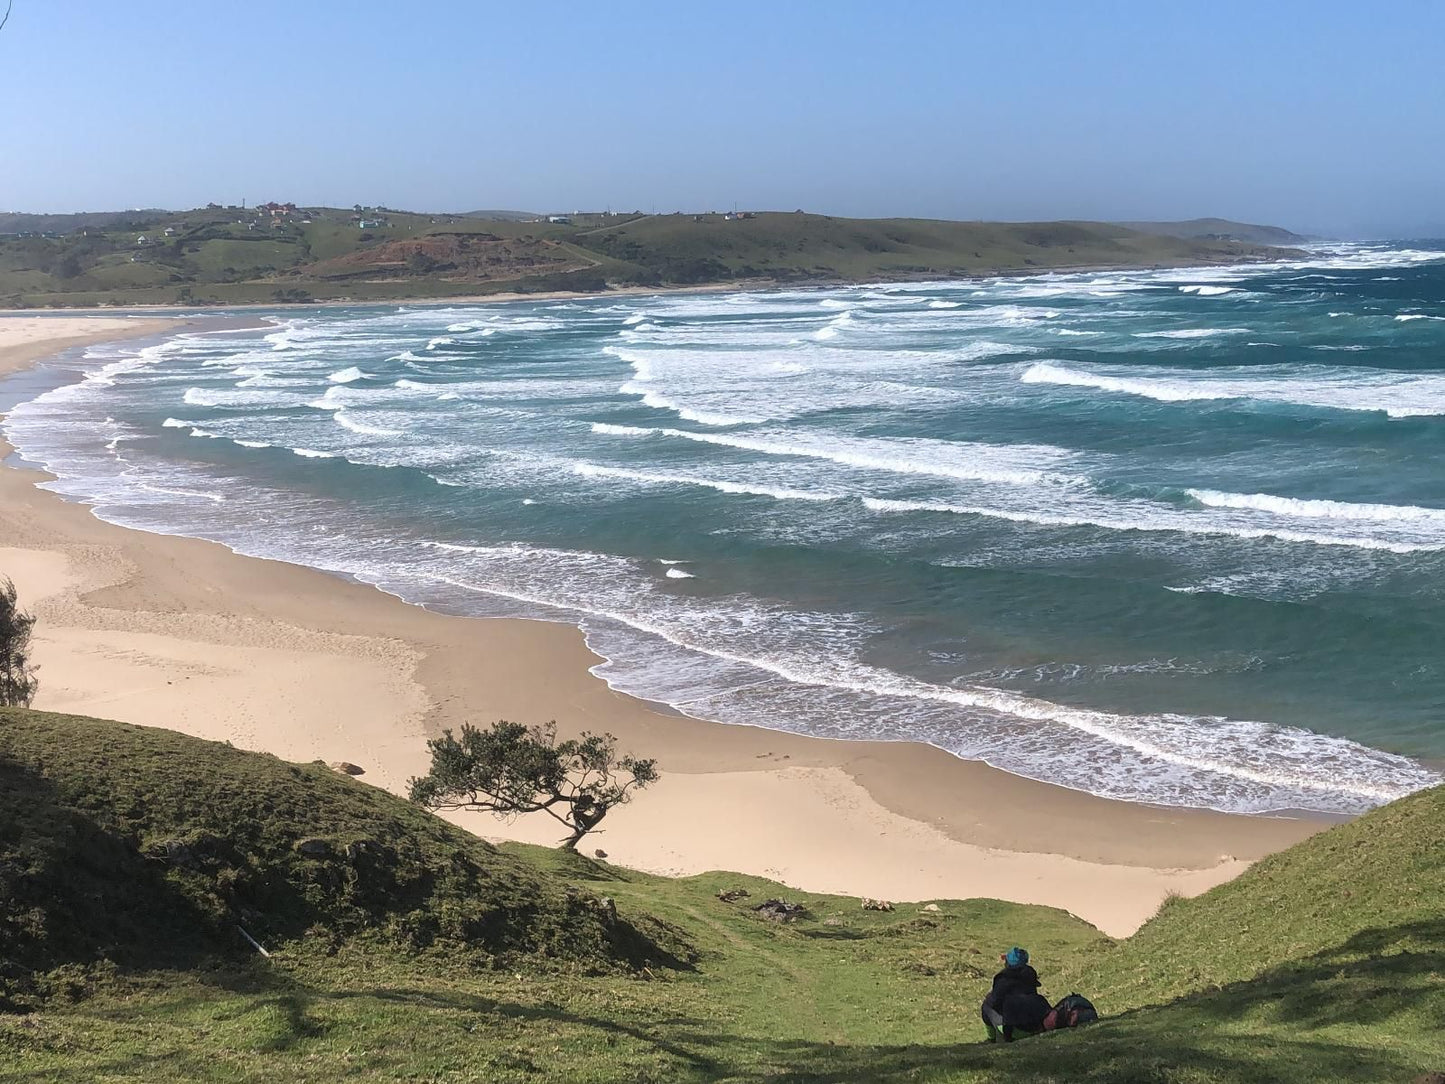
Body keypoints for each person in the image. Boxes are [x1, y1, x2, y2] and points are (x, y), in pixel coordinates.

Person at [981, 946, 1051, 1042]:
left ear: (1007, 963)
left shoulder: (1002, 979)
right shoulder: (1030, 974)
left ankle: (991, 1039)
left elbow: (995, 1003)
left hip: (1013, 1029)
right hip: (1036, 1025)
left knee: (986, 1005)